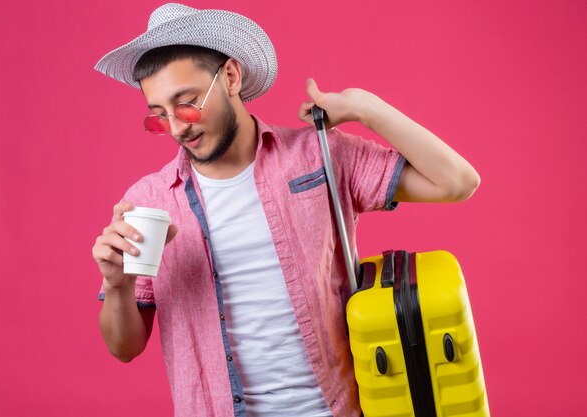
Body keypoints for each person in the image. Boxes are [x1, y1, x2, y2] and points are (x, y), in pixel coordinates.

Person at [91, 3, 480, 417]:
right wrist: (117, 285)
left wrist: (365, 108)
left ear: (230, 77)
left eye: (187, 104)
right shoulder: (151, 199)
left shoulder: (318, 157)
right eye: (160, 116)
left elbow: (457, 182)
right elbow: (124, 348)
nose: (178, 127)